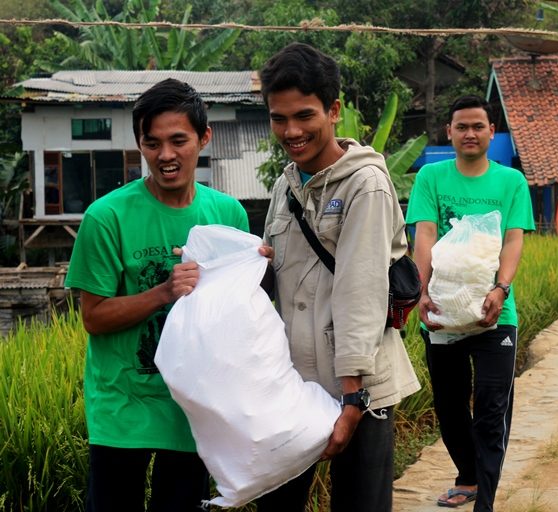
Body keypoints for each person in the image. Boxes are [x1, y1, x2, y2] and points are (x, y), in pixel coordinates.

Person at [65, 78, 250, 512]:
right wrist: (164, 291)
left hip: (194, 410)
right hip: (122, 410)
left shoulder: (227, 214)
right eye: (152, 143)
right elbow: (93, 317)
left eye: (178, 141)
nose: (165, 156)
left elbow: (239, 313)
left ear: (204, 138)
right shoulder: (106, 217)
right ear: (140, 144)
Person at [256, 42, 420, 512]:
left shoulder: (364, 184)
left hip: (358, 385)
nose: (291, 131)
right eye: (278, 118)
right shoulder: (284, 186)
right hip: (294, 387)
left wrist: (353, 398)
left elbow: (361, 291)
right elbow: (274, 277)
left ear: (333, 110)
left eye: (304, 116)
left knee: (360, 504)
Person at [406, 95, 535, 511]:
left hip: (496, 313)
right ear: (449, 132)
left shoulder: (511, 181)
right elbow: (424, 234)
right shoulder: (431, 177)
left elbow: (513, 238)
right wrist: (422, 291)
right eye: (461, 126)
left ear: (491, 132)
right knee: (449, 405)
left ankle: (486, 500)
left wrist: (501, 288)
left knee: (493, 407)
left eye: (478, 126)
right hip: (442, 312)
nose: (470, 133)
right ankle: (468, 475)